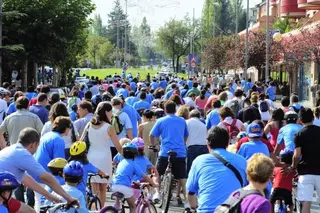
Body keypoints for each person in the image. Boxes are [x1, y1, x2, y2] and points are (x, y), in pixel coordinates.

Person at [0, 128, 78, 212]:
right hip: (2, 197)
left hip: (3, 195)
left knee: (31, 211)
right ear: (33, 144)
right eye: (37, 146)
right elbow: (46, 178)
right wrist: (68, 198)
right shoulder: (22, 153)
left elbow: (26, 179)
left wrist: (49, 196)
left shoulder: (12, 150)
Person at [187, 127, 247, 212]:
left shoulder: (199, 161)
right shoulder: (242, 161)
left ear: (207, 143)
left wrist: (194, 207)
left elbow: (190, 192)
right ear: (227, 143)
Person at [149, 101, 190, 209]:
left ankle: (157, 192)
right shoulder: (182, 121)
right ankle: (187, 201)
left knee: (157, 174)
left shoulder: (161, 120)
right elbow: (186, 136)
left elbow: (152, 135)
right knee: (182, 177)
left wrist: (154, 145)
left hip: (165, 152)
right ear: (175, 110)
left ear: (165, 110)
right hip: (180, 152)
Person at [33, 116, 72, 211]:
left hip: (35, 172)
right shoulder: (58, 139)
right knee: (52, 204)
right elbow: (59, 162)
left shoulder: (47, 135)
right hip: (46, 175)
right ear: (66, 128)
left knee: (39, 202)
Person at [86, 102, 122, 204]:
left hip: (91, 157)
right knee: (103, 189)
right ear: (107, 112)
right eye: (111, 111)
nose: (112, 114)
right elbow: (118, 146)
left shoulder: (89, 124)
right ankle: (101, 209)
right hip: (104, 158)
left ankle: (93, 208)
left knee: (94, 189)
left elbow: (81, 140)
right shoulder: (109, 127)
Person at [287, 108, 320, 213]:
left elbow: (297, 155)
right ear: (313, 118)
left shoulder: (299, 134)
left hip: (305, 172)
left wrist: (292, 166)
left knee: (306, 202)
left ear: (300, 119)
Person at [112, 143, 156, 213]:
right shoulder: (133, 164)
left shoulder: (121, 162)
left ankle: (115, 208)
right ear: (135, 154)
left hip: (114, 185)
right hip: (124, 187)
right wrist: (153, 183)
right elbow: (145, 177)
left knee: (120, 201)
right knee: (133, 206)